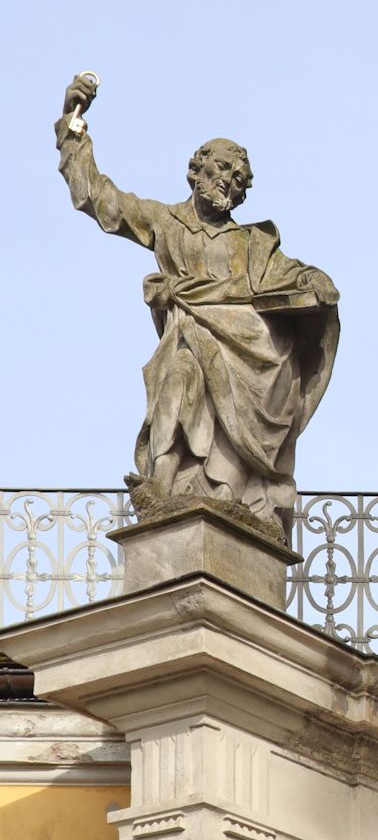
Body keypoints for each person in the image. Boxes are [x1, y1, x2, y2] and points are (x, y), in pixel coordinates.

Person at [54, 74, 338, 538]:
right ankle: (160, 486)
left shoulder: (252, 244)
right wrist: (74, 125)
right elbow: (97, 198)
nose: (230, 181)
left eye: (239, 179)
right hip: (191, 339)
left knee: (220, 359)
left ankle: (234, 493)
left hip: (248, 352)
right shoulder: (166, 222)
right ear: (196, 171)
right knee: (182, 372)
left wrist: (316, 282)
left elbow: (294, 276)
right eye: (223, 169)